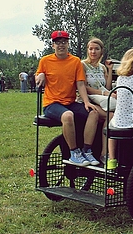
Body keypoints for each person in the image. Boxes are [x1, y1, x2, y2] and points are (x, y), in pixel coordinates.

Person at [35, 30, 101, 167]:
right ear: (53, 45)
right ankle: (74, 153)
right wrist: (40, 75)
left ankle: (87, 150)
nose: (61, 45)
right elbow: (38, 77)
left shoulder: (75, 61)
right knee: (68, 115)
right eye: (58, 43)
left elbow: (80, 84)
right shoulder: (45, 61)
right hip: (52, 104)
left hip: (70, 102)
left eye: (64, 42)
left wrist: (87, 102)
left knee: (93, 113)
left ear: (68, 44)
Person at [81, 38, 115, 162]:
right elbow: (83, 87)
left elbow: (107, 87)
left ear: (101, 51)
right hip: (87, 99)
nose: (93, 52)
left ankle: (105, 151)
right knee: (110, 116)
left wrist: (110, 70)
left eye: (96, 49)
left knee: (112, 114)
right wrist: (104, 93)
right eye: (90, 49)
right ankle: (102, 153)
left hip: (100, 100)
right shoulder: (82, 65)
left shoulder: (102, 67)